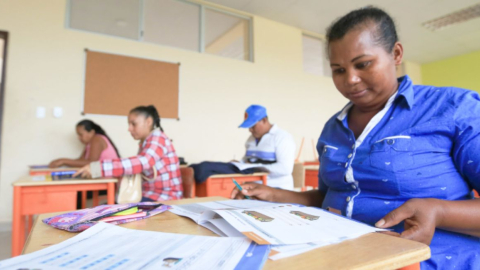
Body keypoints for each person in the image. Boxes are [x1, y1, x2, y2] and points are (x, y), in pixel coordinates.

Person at [232, 7, 480, 269]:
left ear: (396, 54)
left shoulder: (454, 108)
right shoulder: (333, 128)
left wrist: (439, 212)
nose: (350, 79)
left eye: (363, 64)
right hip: (341, 257)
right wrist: (273, 195)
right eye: (338, 70)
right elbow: (331, 197)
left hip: (429, 260)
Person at [74, 105, 183, 201]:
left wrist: (98, 168)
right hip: (148, 195)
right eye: (129, 124)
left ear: (148, 122)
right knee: (109, 208)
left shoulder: (158, 137)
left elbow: (143, 162)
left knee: (112, 211)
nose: (129, 129)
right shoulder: (146, 142)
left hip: (165, 197)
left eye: (133, 124)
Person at [187, 105, 296, 190]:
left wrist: (255, 167)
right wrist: (240, 163)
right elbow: (246, 161)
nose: (250, 130)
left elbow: (285, 169)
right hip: (254, 187)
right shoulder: (251, 139)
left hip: (278, 189)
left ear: (264, 121)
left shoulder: (282, 138)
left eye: (253, 126)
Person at [49, 120, 120, 168]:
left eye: (80, 134)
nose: (79, 138)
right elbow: (81, 161)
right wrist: (63, 162)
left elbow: (92, 163)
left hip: (108, 180)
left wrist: (64, 161)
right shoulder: (89, 143)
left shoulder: (97, 139)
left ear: (92, 132)